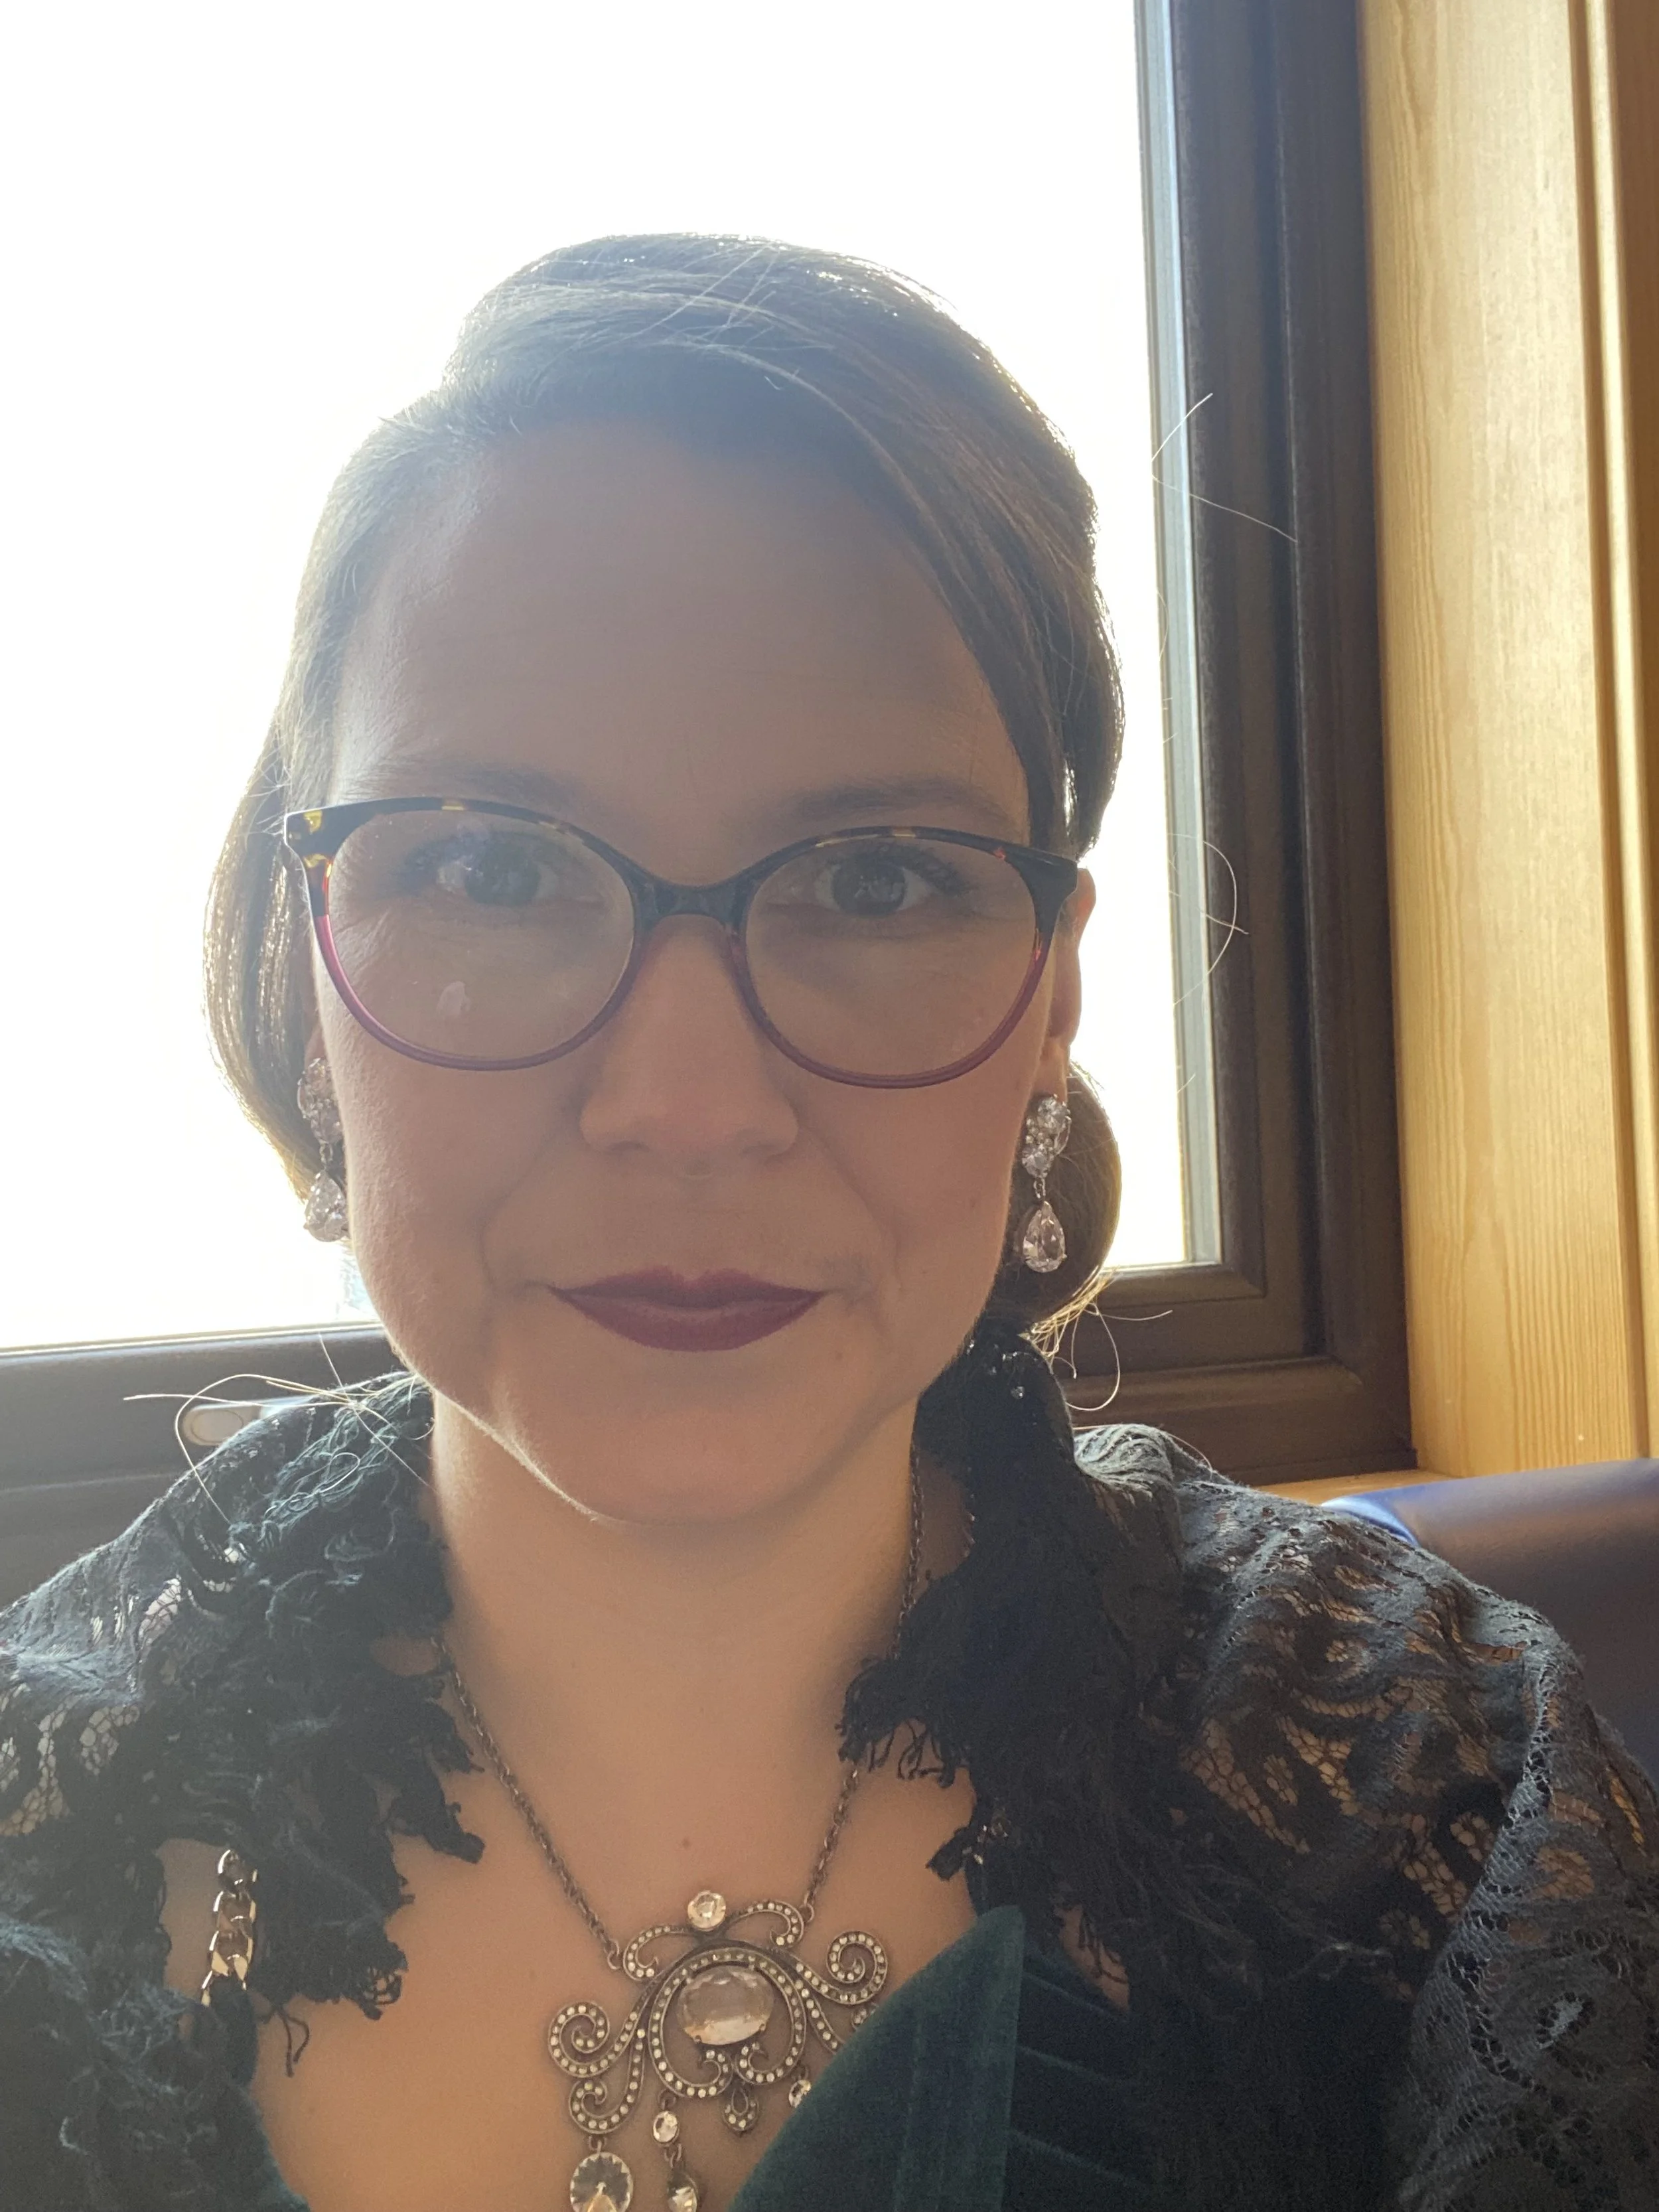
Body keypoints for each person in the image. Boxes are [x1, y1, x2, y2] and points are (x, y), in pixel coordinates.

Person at [2, 236, 1656, 2212]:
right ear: (307, 961)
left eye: (874, 880)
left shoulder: (1442, 1800)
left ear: (1048, 992)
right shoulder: (47, 1840)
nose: (684, 1108)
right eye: (491, 866)